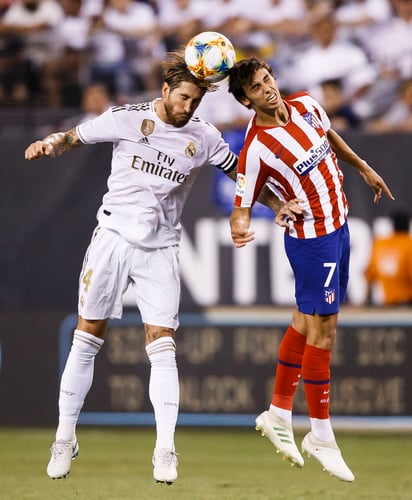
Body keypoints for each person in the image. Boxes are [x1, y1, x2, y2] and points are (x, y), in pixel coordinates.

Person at [24, 51, 288, 484]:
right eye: (183, 97)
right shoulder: (126, 119)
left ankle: (165, 449)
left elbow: (239, 174)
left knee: (161, 344)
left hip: (160, 248)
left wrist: (275, 204)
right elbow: (73, 136)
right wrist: (52, 143)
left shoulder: (203, 137)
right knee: (87, 336)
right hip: (111, 239)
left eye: (196, 102)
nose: (188, 108)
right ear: (165, 90)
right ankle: (64, 437)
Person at [227, 57, 394, 482]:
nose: (268, 88)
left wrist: (363, 166)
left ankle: (278, 413)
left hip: (339, 229)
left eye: (268, 79)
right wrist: (243, 228)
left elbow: (329, 135)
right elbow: (241, 203)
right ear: (246, 100)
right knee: (325, 331)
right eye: (257, 88)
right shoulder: (257, 148)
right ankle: (321, 435)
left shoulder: (305, 105)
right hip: (311, 241)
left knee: (304, 323)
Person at [364, 211, 412, 306]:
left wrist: (366, 303)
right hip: (408, 303)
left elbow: (369, 276)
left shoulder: (380, 244)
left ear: (392, 225)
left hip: (388, 304)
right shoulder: (409, 244)